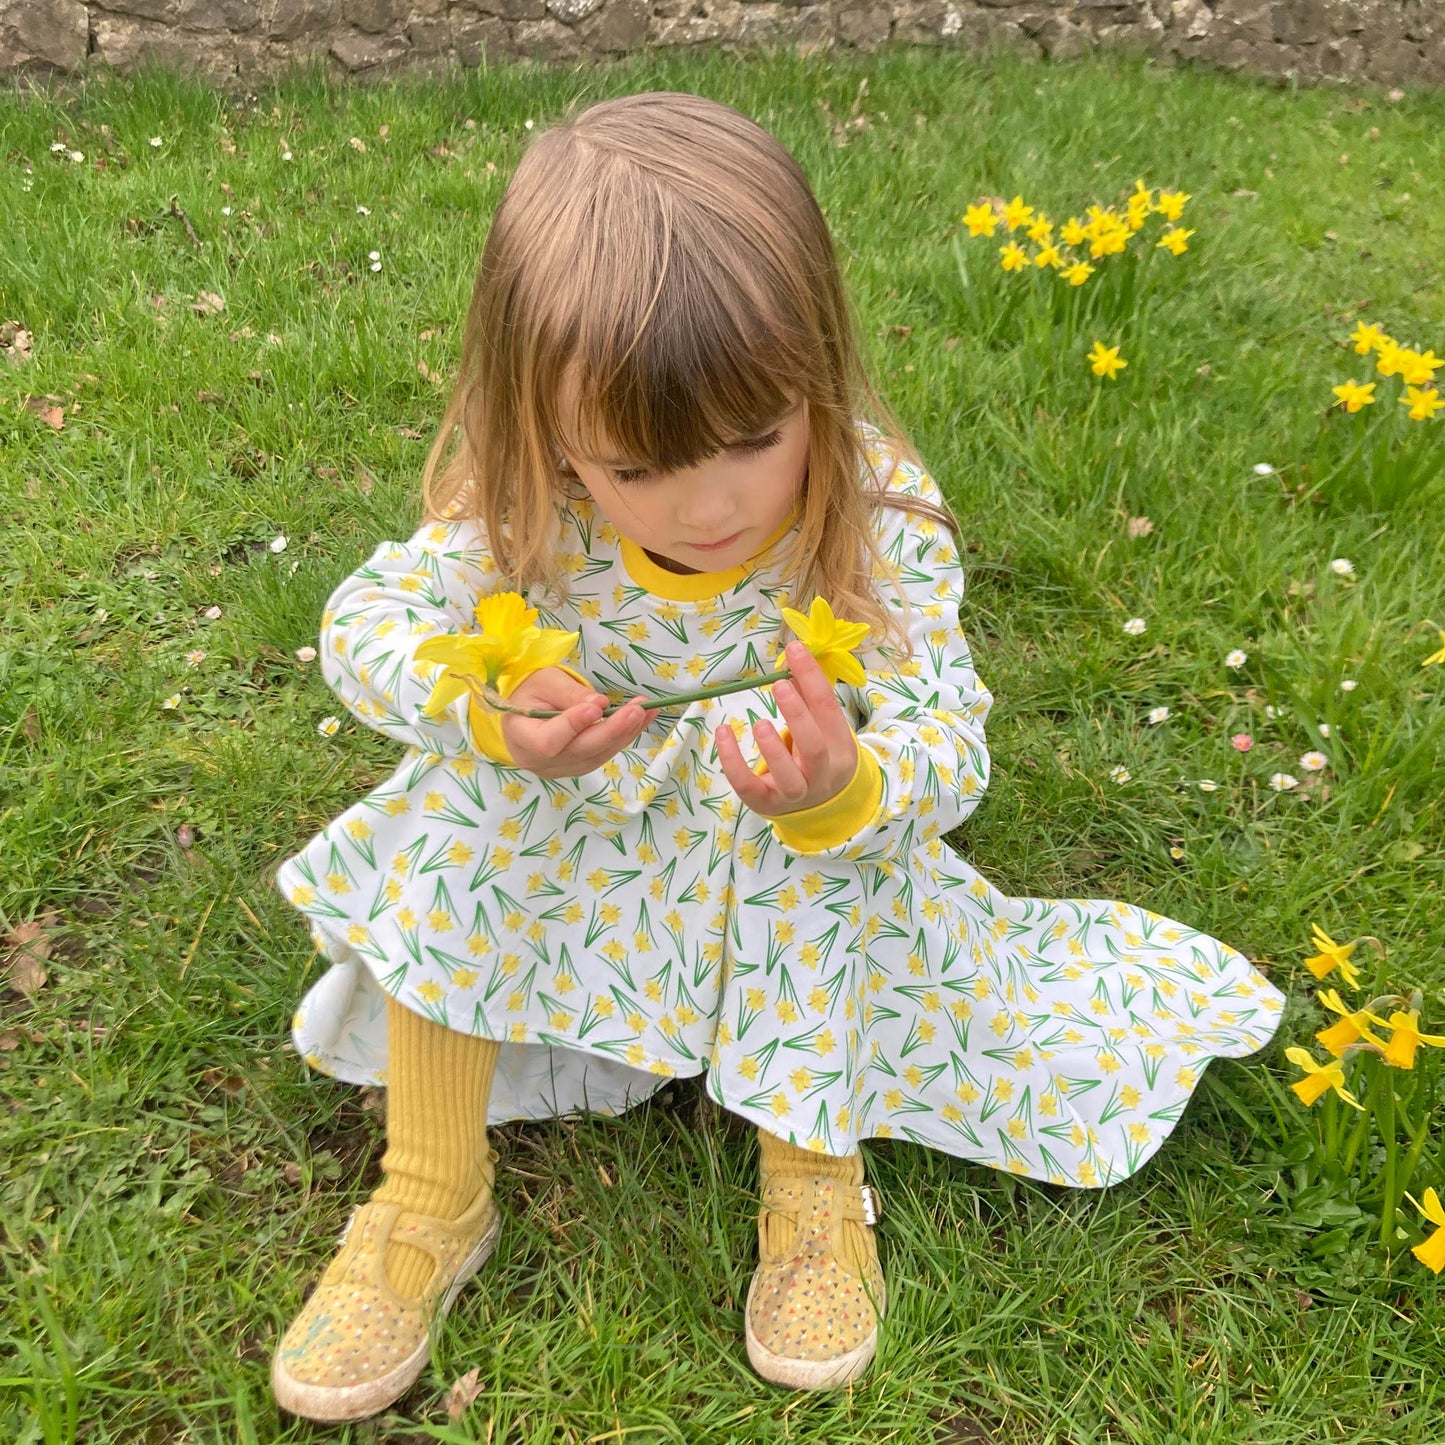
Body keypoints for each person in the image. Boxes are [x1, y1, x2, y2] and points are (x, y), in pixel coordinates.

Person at [269, 91, 1285, 1422]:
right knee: (466, 816)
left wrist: (846, 789)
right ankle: (424, 1196)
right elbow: (365, 622)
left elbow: (948, 730)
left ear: (816, 368)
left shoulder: (869, 520)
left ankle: (811, 1177)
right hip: (592, 827)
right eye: (640, 467)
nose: (711, 504)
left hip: (781, 828)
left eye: (756, 438)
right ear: (555, 433)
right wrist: (483, 715)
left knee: (811, 864)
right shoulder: (533, 510)